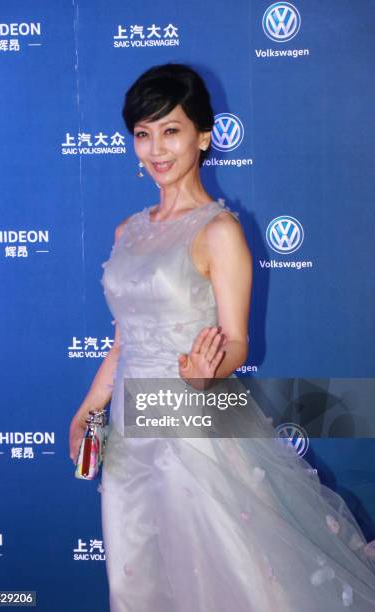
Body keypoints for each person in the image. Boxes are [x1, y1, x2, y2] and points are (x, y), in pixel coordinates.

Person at [69, 63, 375, 611]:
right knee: (138, 577)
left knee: (223, 580)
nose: (156, 149)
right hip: (130, 432)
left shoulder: (220, 231)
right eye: (143, 134)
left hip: (197, 419)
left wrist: (208, 372)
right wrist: (88, 407)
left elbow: (236, 342)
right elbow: (124, 342)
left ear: (203, 136)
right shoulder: (126, 231)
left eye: (171, 130)